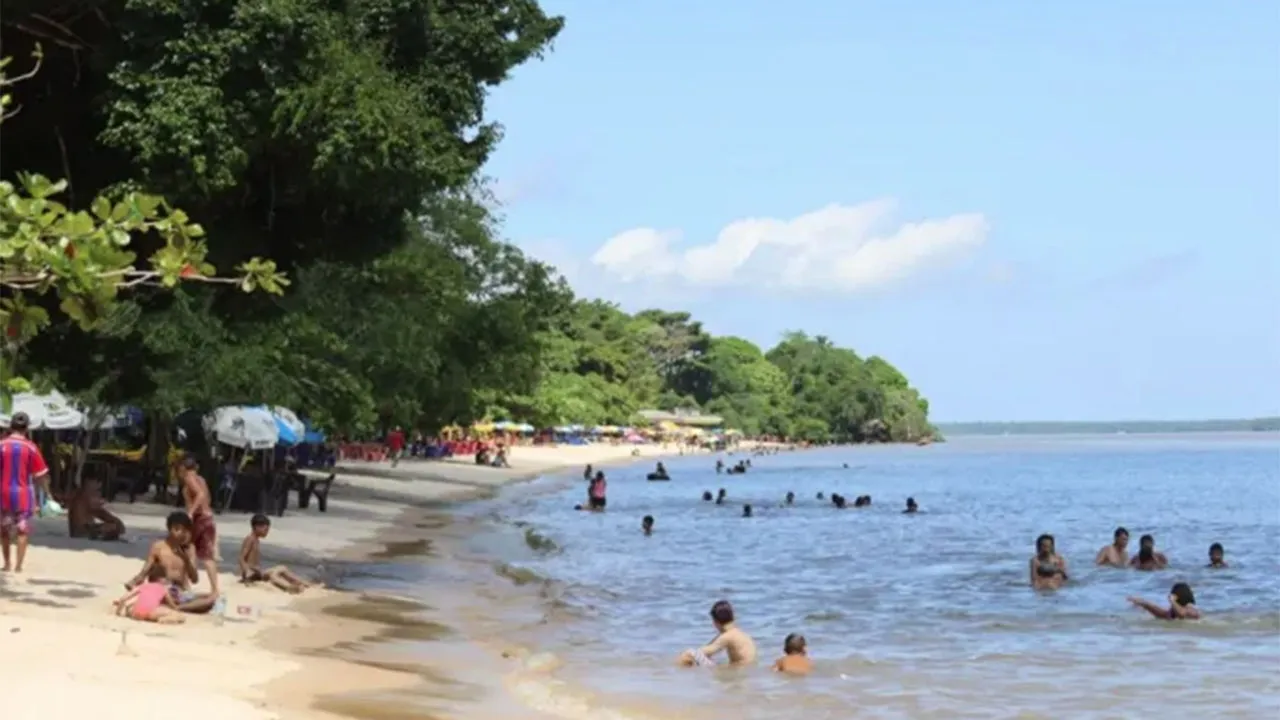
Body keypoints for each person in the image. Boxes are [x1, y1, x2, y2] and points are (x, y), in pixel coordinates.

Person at [126, 512, 217, 613]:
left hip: (181, 592)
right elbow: (145, 571)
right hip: (163, 590)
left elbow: (195, 579)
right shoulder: (158, 547)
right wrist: (134, 582)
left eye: (184, 530)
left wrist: (186, 559)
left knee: (211, 598)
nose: (180, 533)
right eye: (177, 529)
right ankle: (176, 606)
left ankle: (178, 607)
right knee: (158, 572)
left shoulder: (190, 549)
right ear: (169, 529)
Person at [0, 412, 51, 573]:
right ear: (27, 428)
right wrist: (48, 494)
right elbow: (41, 475)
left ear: (10, 427)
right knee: (22, 530)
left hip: (3, 494)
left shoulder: (1, 445)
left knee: (4, 529)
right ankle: (18, 566)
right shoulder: (31, 447)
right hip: (23, 494)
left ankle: (7, 563)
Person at [178, 455, 221, 595]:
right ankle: (214, 589)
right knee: (207, 556)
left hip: (199, 518)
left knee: (186, 550)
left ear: (183, 468)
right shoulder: (201, 479)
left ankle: (185, 584)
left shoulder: (189, 478)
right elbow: (206, 496)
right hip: (209, 518)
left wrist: (190, 512)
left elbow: (200, 495)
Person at [239, 514, 310, 593]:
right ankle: (288, 588)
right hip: (252, 574)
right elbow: (241, 558)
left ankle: (305, 583)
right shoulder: (250, 539)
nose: (267, 532)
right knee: (273, 575)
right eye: (265, 530)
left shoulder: (256, 540)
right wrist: (247, 572)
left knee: (282, 568)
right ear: (257, 527)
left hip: (257, 572)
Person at [677, 600, 757, 668]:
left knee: (689, 653)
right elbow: (708, 649)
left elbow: (702, 652)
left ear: (715, 622)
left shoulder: (727, 636)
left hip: (737, 670)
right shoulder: (738, 633)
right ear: (733, 617)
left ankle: (678, 675)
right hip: (746, 669)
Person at [112, 564, 185, 624]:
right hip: (150, 612)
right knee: (178, 616)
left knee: (131, 605)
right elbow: (172, 605)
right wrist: (176, 609)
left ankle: (132, 612)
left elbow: (123, 598)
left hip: (135, 613)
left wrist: (118, 612)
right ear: (162, 579)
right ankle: (164, 620)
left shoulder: (143, 586)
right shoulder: (163, 589)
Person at [67, 476, 126, 541]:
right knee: (111, 527)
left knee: (113, 527)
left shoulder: (88, 501)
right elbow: (80, 530)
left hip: (85, 532)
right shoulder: (80, 500)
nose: (98, 494)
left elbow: (120, 527)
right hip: (81, 534)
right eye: (97, 490)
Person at [1128, 582, 1201, 620]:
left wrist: (1172, 601)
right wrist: (1144, 603)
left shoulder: (1191, 609)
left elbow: (1182, 614)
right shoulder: (1174, 611)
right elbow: (1161, 614)